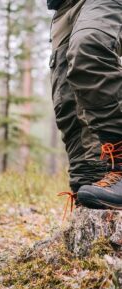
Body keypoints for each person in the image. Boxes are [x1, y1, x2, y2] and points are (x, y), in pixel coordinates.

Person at [48, 0, 122, 209]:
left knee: (89, 48)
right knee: (68, 103)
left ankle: (121, 166)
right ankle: (91, 192)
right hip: (62, 6)